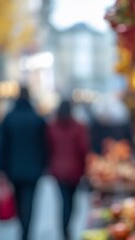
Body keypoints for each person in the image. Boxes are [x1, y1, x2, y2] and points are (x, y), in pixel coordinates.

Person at [0, 87, 48, 240]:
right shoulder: (37, 119)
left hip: (14, 169)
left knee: (19, 200)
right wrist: (44, 164)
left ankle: (22, 227)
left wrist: (1, 168)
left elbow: (2, 145)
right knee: (30, 201)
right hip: (34, 169)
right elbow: (44, 145)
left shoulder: (9, 118)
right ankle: (27, 229)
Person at [46, 100, 90, 240]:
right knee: (70, 201)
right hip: (74, 170)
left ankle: (64, 229)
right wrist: (85, 167)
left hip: (58, 170)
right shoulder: (78, 127)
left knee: (64, 200)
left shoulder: (52, 127)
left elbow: (48, 148)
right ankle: (66, 229)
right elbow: (83, 149)